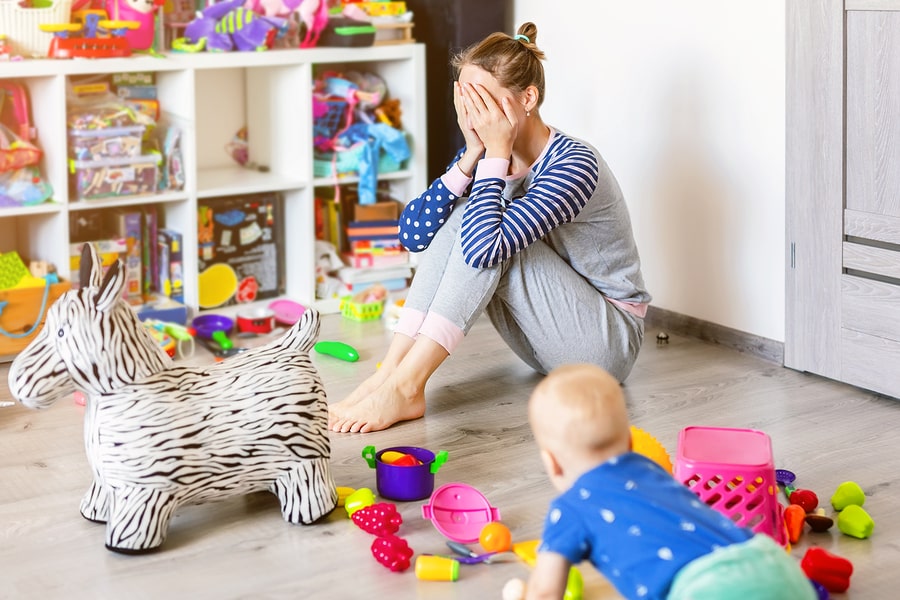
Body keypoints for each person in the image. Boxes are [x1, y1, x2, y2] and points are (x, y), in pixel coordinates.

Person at [328, 22, 651, 434]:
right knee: (459, 215)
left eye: (481, 101)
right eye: (465, 100)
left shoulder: (574, 164)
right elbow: (413, 235)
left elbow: (482, 250)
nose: (471, 114)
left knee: (486, 230)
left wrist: (494, 153)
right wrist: (473, 157)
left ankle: (408, 386)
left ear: (527, 98)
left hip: (606, 345)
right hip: (546, 342)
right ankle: (391, 373)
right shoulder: (485, 156)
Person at [520, 363, 817, 600]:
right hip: (769, 562)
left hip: (706, 589)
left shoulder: (569, 508)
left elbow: (546, 592)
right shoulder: (649, 468)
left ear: (552, 462)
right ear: (628, 441)